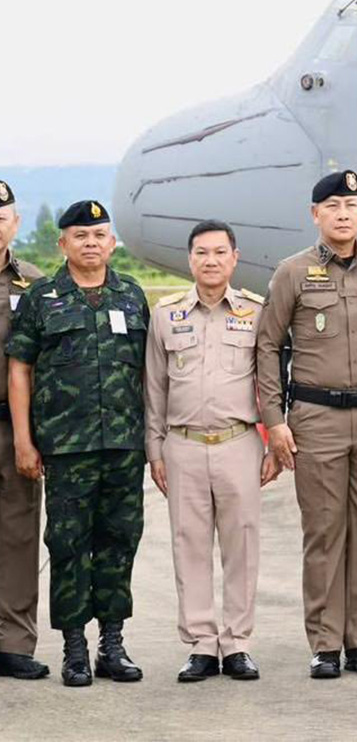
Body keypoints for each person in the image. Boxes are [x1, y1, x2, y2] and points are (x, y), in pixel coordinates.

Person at [255, 170, 357, 679]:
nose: (342, 213)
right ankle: (324, 644)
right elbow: (268, 347)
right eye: (332, 205)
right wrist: (274, 421)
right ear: (315, 214)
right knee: (323, 532)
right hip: (315, 419)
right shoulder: (292, 273)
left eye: (351, 204)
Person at [5, 200, 147, 687]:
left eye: (100, 235)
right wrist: (24, 440)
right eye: (80, 236)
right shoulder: (42, 297)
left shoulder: (131, 294)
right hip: (66, 449)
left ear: (112, 243)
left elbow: (149, 372)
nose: (91, 243)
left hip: (124, 446)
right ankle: (74, 650)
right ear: (62, 243)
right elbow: (20, 369)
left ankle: (112, 643)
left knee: (119, 544)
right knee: (67, 546)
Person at [145, 221, 278, 682]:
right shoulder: (166, 315)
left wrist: (272, 442)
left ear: (235, 258)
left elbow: (269, 382)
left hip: (239, 441)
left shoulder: (255, 312)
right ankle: (202, 644)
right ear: (190, 259)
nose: (211, 261)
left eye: (220, 252)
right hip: (181, 444)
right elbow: (154, 387)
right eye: (202, 253)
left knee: (242, 544)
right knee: (189, 544)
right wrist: (154, 448)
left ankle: (238, 643)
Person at [0, 178, 47, 680]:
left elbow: (42, 365)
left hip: (13, 426)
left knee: (17, 533)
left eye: (1, 218)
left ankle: (14, 641)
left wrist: (30, 437)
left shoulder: (34, 285)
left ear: (15, 222)